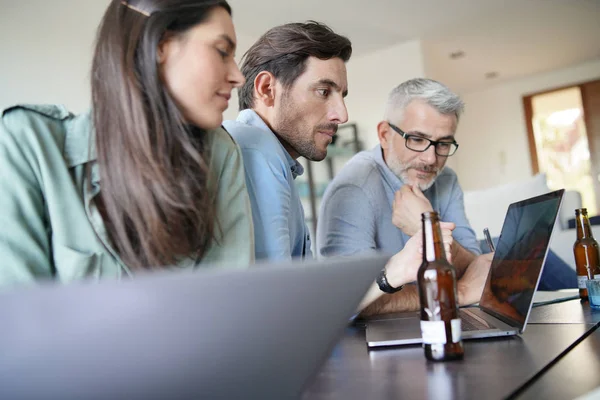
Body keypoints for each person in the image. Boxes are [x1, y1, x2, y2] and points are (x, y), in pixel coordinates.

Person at [0, 0, 253, 287]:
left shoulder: (220, 154)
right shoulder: (29, 143)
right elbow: (19, 318)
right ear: (159, 45)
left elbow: (223, 305)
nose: (237, 76)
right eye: (222, 52)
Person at [317, 78, 493, 316]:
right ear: (385, 135)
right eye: (417, 139)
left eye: (443, 144)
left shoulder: (446, 179)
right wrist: (456, 292)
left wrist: (427, 227)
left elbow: (475, 268)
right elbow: (350, 299)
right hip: (377, 339)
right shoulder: (353, 189)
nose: (431, 159)